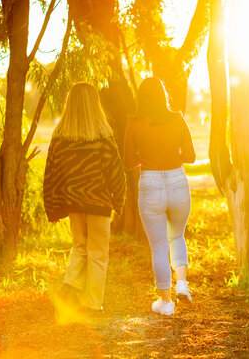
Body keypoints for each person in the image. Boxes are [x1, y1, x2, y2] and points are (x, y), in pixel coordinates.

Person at [43, 82, 126, 312]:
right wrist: (118, 200)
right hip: (99, 204)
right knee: (98, 254)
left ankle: (70, 285)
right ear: (94, 104)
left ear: (70, 104)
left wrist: (53, 206)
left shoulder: (60, 136)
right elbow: (116, 172)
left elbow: (51, 173)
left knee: (79, 248)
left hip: (74, 204)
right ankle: (92, 304)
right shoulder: (103, 135)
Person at [124, 77, 196, 316]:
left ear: (141, 98)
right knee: (177, 236)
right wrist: (172, 153)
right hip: (177, 181)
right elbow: (191, 156)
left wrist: (144, 157)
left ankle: (165, 303)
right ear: (163, 95)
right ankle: (183, 283)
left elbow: (127, 162)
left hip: (151, 183)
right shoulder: (177, 118)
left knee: (158, 246)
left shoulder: (133, 123)